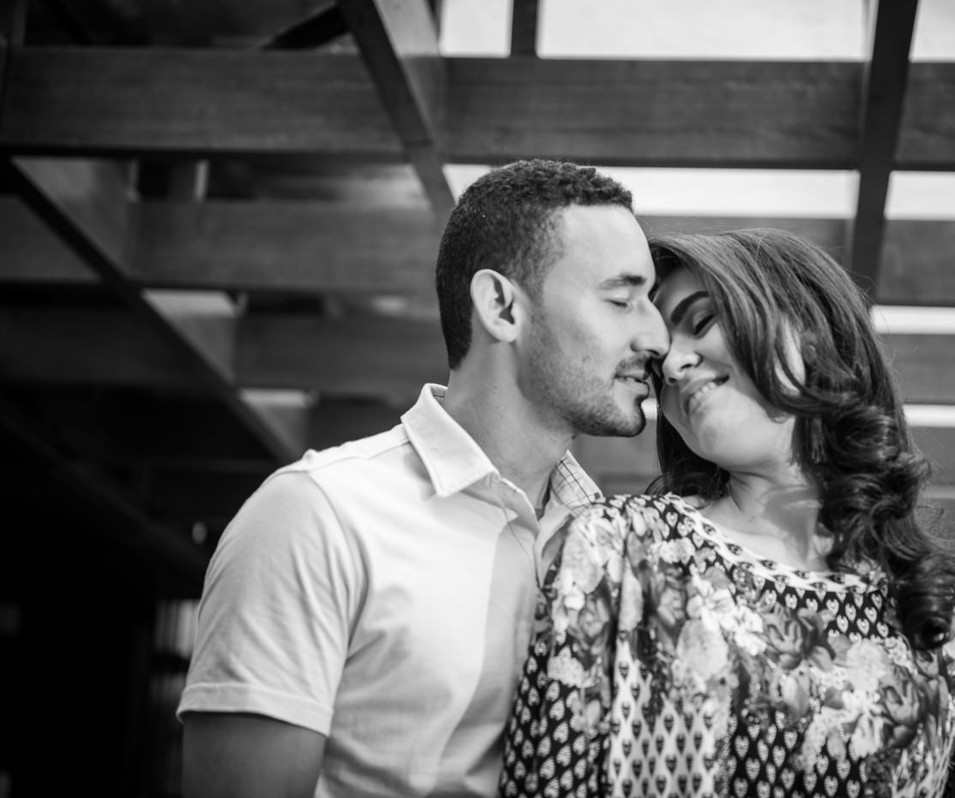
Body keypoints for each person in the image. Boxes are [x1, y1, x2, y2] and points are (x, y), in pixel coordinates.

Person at [177, 159, 669, 798]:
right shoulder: (318, 514)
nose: (657, 335)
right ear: (501, 307)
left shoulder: (617, 546)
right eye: (622, 300)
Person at [499, 229, 955, 797]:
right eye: (659, 360)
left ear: (810, 329)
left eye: (701, 321)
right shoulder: (616, 549)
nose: (672, 367)